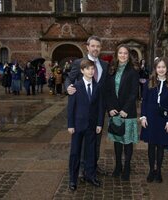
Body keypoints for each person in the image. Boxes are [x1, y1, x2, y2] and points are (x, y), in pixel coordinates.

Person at [65, 35, 108, 176]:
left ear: (100, 48)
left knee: (96, 141)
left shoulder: (104, 65)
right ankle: (82, 168)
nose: (95, 48)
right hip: (82, 112)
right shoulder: (79, 63)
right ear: (87, 47)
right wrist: (68, 88)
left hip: (97, 111)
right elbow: (69, 79)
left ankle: (93, 165)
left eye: (98, 46)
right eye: (93, 46)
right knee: (81, 143)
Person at [67, 59, 104, 191]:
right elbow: (70, 108)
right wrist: (70, 125)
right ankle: (72, 179)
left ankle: (91, 175)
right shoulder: (75, 87)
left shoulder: (98, 86)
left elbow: (100, 106)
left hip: (92, 125)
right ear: (82, 70)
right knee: (75, 153)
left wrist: (100, 123)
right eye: (88, 69)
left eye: (92, 69)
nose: (91, 71)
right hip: (77, 125)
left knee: (91, 152)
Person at [106, 44, 139, 181]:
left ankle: (127, 167)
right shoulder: (111, 69)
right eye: (120, 53)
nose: (123, 55)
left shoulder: (133, 70)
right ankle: (118, 165)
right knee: (117, 140)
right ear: (116, 54)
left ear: (128, 55)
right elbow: (107, 91)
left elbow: (133, 93)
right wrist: (110, 108)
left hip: (128, 112)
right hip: (114, 111)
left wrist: (125, 109)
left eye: (125, 53)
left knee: (127, 141)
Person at [140, 57, 168, 183]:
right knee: (151, 145)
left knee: (160, 146)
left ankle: (158, 170)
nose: (161, 69)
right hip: (150, 117)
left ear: (167, 69)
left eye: (163, 67)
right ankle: (151, 170)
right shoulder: (149, 82)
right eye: (159, 67)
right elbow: (144, 102)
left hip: (163, 119)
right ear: (155, 69)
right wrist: (143, 116)